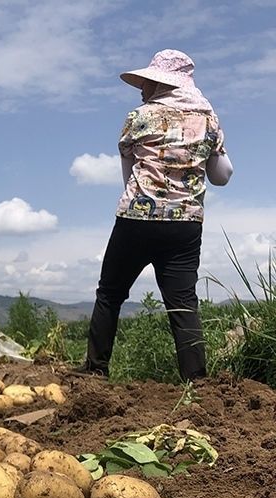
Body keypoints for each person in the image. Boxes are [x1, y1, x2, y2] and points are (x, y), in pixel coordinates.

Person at [79, 49, 233, 381]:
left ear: (161, 85)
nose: (142, 88)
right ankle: (197, 382)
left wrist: (141, 201)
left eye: (148, 82)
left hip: (137, 218)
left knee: (110, 293)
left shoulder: (139, 117)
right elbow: (221, 176)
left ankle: (94, 373)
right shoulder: (209, 120)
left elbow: (127, 173)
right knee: (183, 304)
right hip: (185, 225)